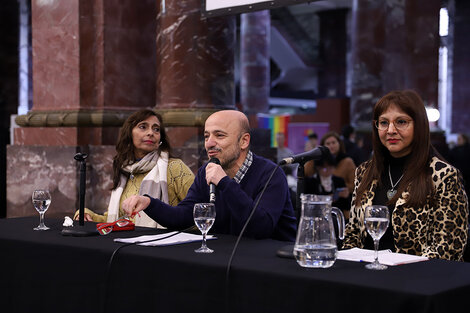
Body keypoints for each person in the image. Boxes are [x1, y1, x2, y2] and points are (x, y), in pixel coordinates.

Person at [122, 110, 297, 241]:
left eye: (219, 136)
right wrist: (149, 203)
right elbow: (183, 216)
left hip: (270, 266)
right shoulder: (207, 171)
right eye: (206, 136)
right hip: (226, 260)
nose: (209, 144)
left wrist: (224, 183)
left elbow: (260, 228)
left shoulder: (271, 174)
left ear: (244, 141)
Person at [342, 90, 468, 261]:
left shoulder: (443, 175)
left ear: (419, 125)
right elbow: (353, 234)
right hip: (366, 276)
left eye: (401, 122)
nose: (391, 130)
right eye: (384, 123)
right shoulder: (364, 172)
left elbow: (449, 247)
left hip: (417, 280)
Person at [74, 109, 195, 228]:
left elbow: (199, 212)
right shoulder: (125, 171)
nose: (151, 133)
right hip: (128, 245)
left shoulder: (174, 167)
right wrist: (87, 215)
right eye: (143, 127)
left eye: (156, 129)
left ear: (160, 139)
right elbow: (116, 221)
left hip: (166, 244)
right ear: (129, 134)